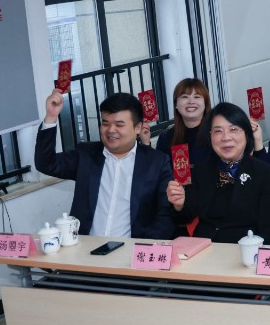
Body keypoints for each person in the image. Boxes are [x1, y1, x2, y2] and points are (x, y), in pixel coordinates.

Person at [35, 90, 176, 240]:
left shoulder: (157, 162)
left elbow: (165, 215)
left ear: (138, 128)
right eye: (105, 123)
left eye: (119, 124)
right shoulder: (86, 155)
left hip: (131, 249)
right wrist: (51, 117)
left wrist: (146, 248)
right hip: (86, 247)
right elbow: (46, 163)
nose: (111, 130)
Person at [167, 102, 270, 243]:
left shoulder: (264, 173)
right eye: (218, 131)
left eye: (233, 129)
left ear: (247, 134)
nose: (226, 137)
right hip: (204, 249)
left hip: (246, 249)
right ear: (210, 136)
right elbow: (185, 217)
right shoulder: (200, 171)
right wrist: (179, 205)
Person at [154, 78, 214, 167]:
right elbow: (158, 170)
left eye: (197, 97)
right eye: (185, 97)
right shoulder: (166, 137)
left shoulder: (216, 132)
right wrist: (146, 143)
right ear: (176, 104)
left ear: (205, 103)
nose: (191, 102)